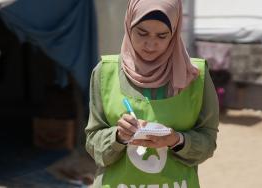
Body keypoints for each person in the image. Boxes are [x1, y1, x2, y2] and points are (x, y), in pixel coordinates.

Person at [85, 0, 219, 187]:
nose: (150, 44)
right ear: (128, 24)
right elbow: (92, 141)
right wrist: (118, 136)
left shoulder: (196, 75)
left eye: (162, 36)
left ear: (174, 33)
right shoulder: (105, 72)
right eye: (142, 33)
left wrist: (176, 140)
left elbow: (208, 142)